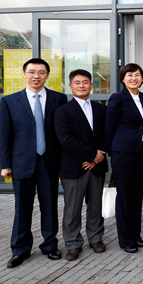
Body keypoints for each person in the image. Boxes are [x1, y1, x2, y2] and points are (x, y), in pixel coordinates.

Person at [0, 58, 67, 268]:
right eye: (32, 72)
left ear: (47, 75)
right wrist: (5, 164)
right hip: (21, 162)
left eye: (41, 72)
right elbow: (5, 135)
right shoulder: (9, 101)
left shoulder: (59, 99)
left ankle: (50, 245)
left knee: (50, 205)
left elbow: (62, 132)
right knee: (22, 207)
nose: (36, 76)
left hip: (49, 161)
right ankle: (20, 249)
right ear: (24, 74)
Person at [54, 69, 108, 261]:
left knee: (96, 205)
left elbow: (107, 133)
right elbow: (65, 138)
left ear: (91, 85)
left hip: (97, 165)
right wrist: (91, 155)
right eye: (77, 82)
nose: (81, 86)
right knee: (72, 207)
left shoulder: (101, 109)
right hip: (73, 166)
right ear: (70, 86)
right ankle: (72, 243)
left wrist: (99, 155)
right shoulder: (62, 111)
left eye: (85, 82)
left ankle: (95, 238)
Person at [104, 63, 143, 253]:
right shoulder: (118, 98)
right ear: (123, 79)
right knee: (124, 196)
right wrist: (110, 151)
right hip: (122, 153)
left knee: (137, 195)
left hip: (140, 151)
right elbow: (109, 126)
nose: (134, 78)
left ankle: (136, 235)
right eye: (129, 75)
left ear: (142, 78)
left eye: (137, 75)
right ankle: (125, 239)